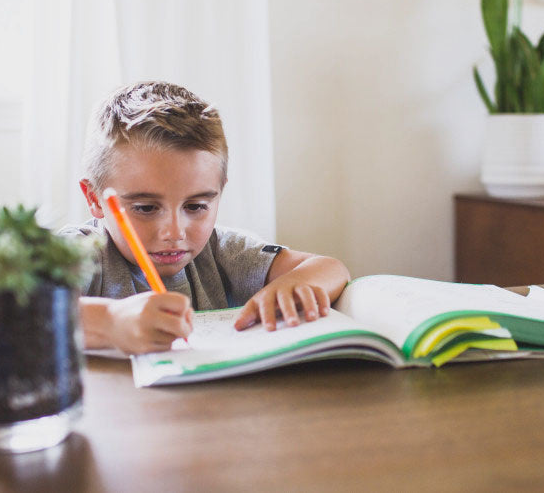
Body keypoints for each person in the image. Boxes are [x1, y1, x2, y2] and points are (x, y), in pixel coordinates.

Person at [61, 80, 350, 355]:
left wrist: (293, 285)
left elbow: (330, 268)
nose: (174, 233)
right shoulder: (78, 253)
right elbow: (19, 314)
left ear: (219, 191)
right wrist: (110, 322)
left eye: (196, 206)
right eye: (146, 208)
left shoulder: (223, 251)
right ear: (94, 198)